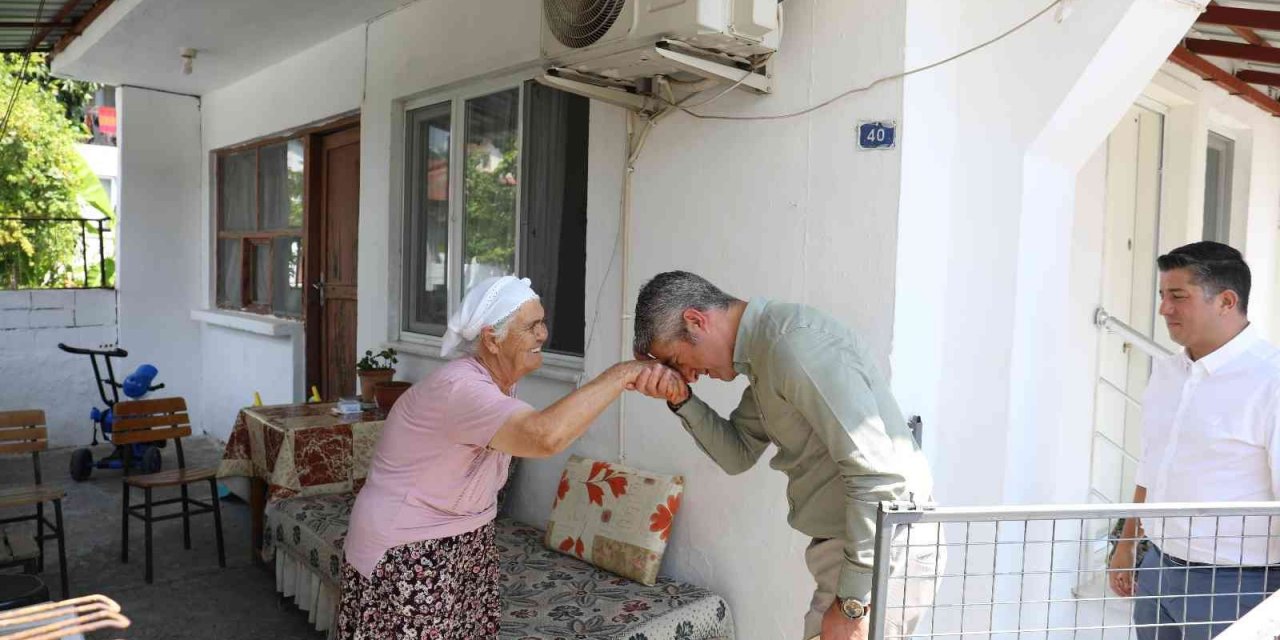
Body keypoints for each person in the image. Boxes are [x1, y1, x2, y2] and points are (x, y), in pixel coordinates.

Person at [337, 275, 659, 639]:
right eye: (532, 326)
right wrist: (622, 374)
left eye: (543, 322)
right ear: (492, 338)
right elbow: (544, 437)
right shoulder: (461, 389)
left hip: (464, 539)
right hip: (407, 548)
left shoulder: (496, 382)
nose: (543, 334)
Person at [628, 270, 942, 640]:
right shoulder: (764, 358)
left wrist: (853, 603)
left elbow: (877, 478)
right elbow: (738, 454)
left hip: (882, 552)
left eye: (678, 361)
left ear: (696, 321)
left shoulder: (793, 347)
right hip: (859, 551)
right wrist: (681, 399)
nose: (690, 376)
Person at [1108, 242, 1280, 639]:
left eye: (1177, 296)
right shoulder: (1167, 374)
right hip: (1157, 572)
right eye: (1162, 295)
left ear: (1226, 301)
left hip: (1240, 585)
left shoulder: (1270, 383)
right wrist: (1126, 544)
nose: (1164, 309)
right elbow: (1150, 466)